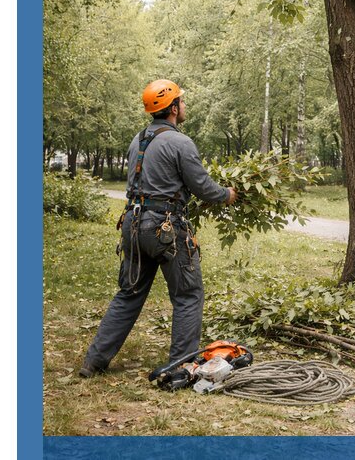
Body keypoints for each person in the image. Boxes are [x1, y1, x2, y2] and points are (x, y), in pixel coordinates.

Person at [79, 79, 237, 378]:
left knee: (129, 293)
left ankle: (94, 361)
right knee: (188, 294)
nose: (184, 106)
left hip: (133, 224)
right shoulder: (180, 142)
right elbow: (202, 186)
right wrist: (226, 195)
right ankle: (181, 366)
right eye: (182, 102)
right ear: (173, 108)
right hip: (165, 228)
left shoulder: (138, 140)